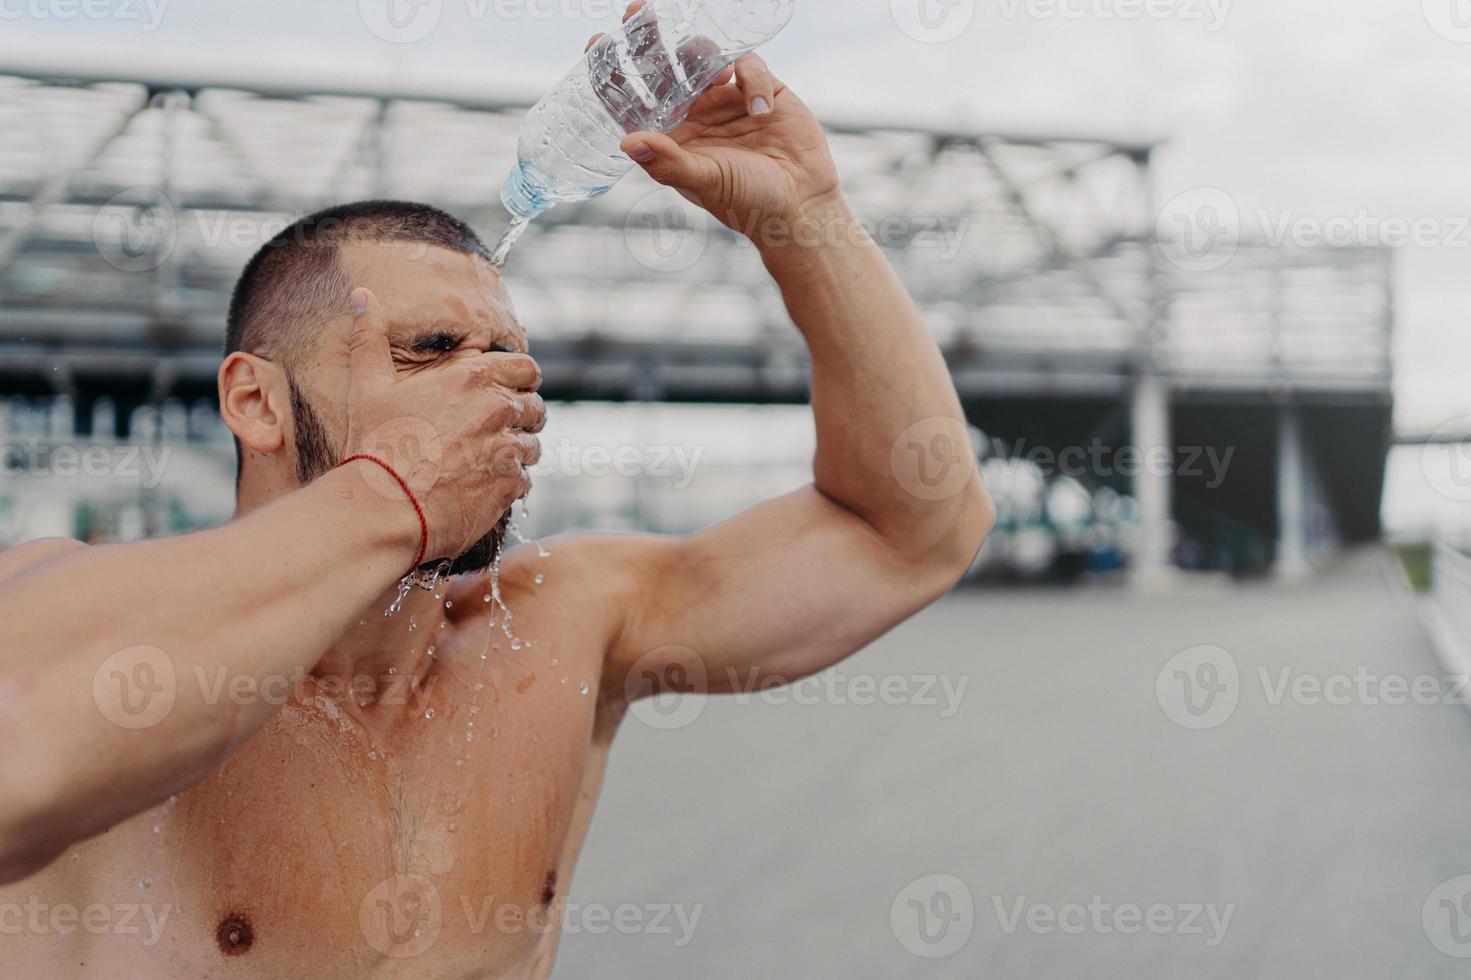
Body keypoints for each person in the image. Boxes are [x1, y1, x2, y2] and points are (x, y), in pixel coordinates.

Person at [0, 10, 993, 976]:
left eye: (509, 356)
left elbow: (912, 530)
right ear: (256, 402)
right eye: (429, 350)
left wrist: (804, 218)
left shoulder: (561, 623)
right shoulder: (76, 611)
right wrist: (399, 494)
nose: (497, 384)